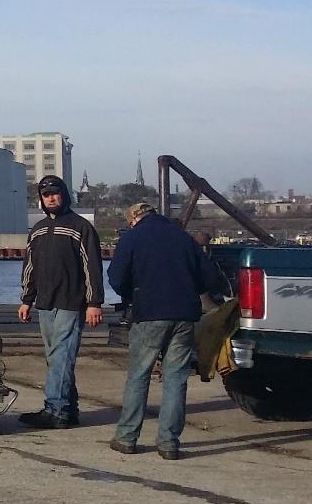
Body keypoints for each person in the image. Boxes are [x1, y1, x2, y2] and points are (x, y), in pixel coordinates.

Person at [106, 202, 230, 460]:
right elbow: (210, 278)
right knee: (176, 378)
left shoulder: (132, 238)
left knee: (139, 375)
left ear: (134, 219)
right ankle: (169, 443)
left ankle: (127, 437)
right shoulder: (183, 238)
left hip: (149, 313)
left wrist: (134, 293)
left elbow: (116, 277)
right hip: (185, 314)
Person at [16, 174, 103, 428]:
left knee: (61, 357)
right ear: (40, 199)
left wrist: (94, 303)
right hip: (44, 303)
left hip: (71, 302)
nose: (51, 198)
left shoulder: (80, 227)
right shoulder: (38, 229)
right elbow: (29, 267)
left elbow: (92, 268)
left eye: (55, 193)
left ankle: (56, 411)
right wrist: (26, 300)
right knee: (56, 358)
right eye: (46, 195)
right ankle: (68, 409)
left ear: (64, 195)